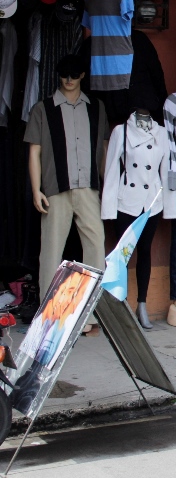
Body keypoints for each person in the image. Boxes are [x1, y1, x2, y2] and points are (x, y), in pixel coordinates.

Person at [24, 54, 109, 334]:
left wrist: (107, 184)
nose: (69, 79)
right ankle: (49, 317)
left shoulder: (96, 108)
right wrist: (36, 189)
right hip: (56, 189)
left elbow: (105, 149)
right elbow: (34, 150)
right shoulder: (43, 109)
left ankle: (90, 314)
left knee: (96, 247)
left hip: (88, 187)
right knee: (50, 252)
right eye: (64, 74)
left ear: (83, 75)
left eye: (74, 74)